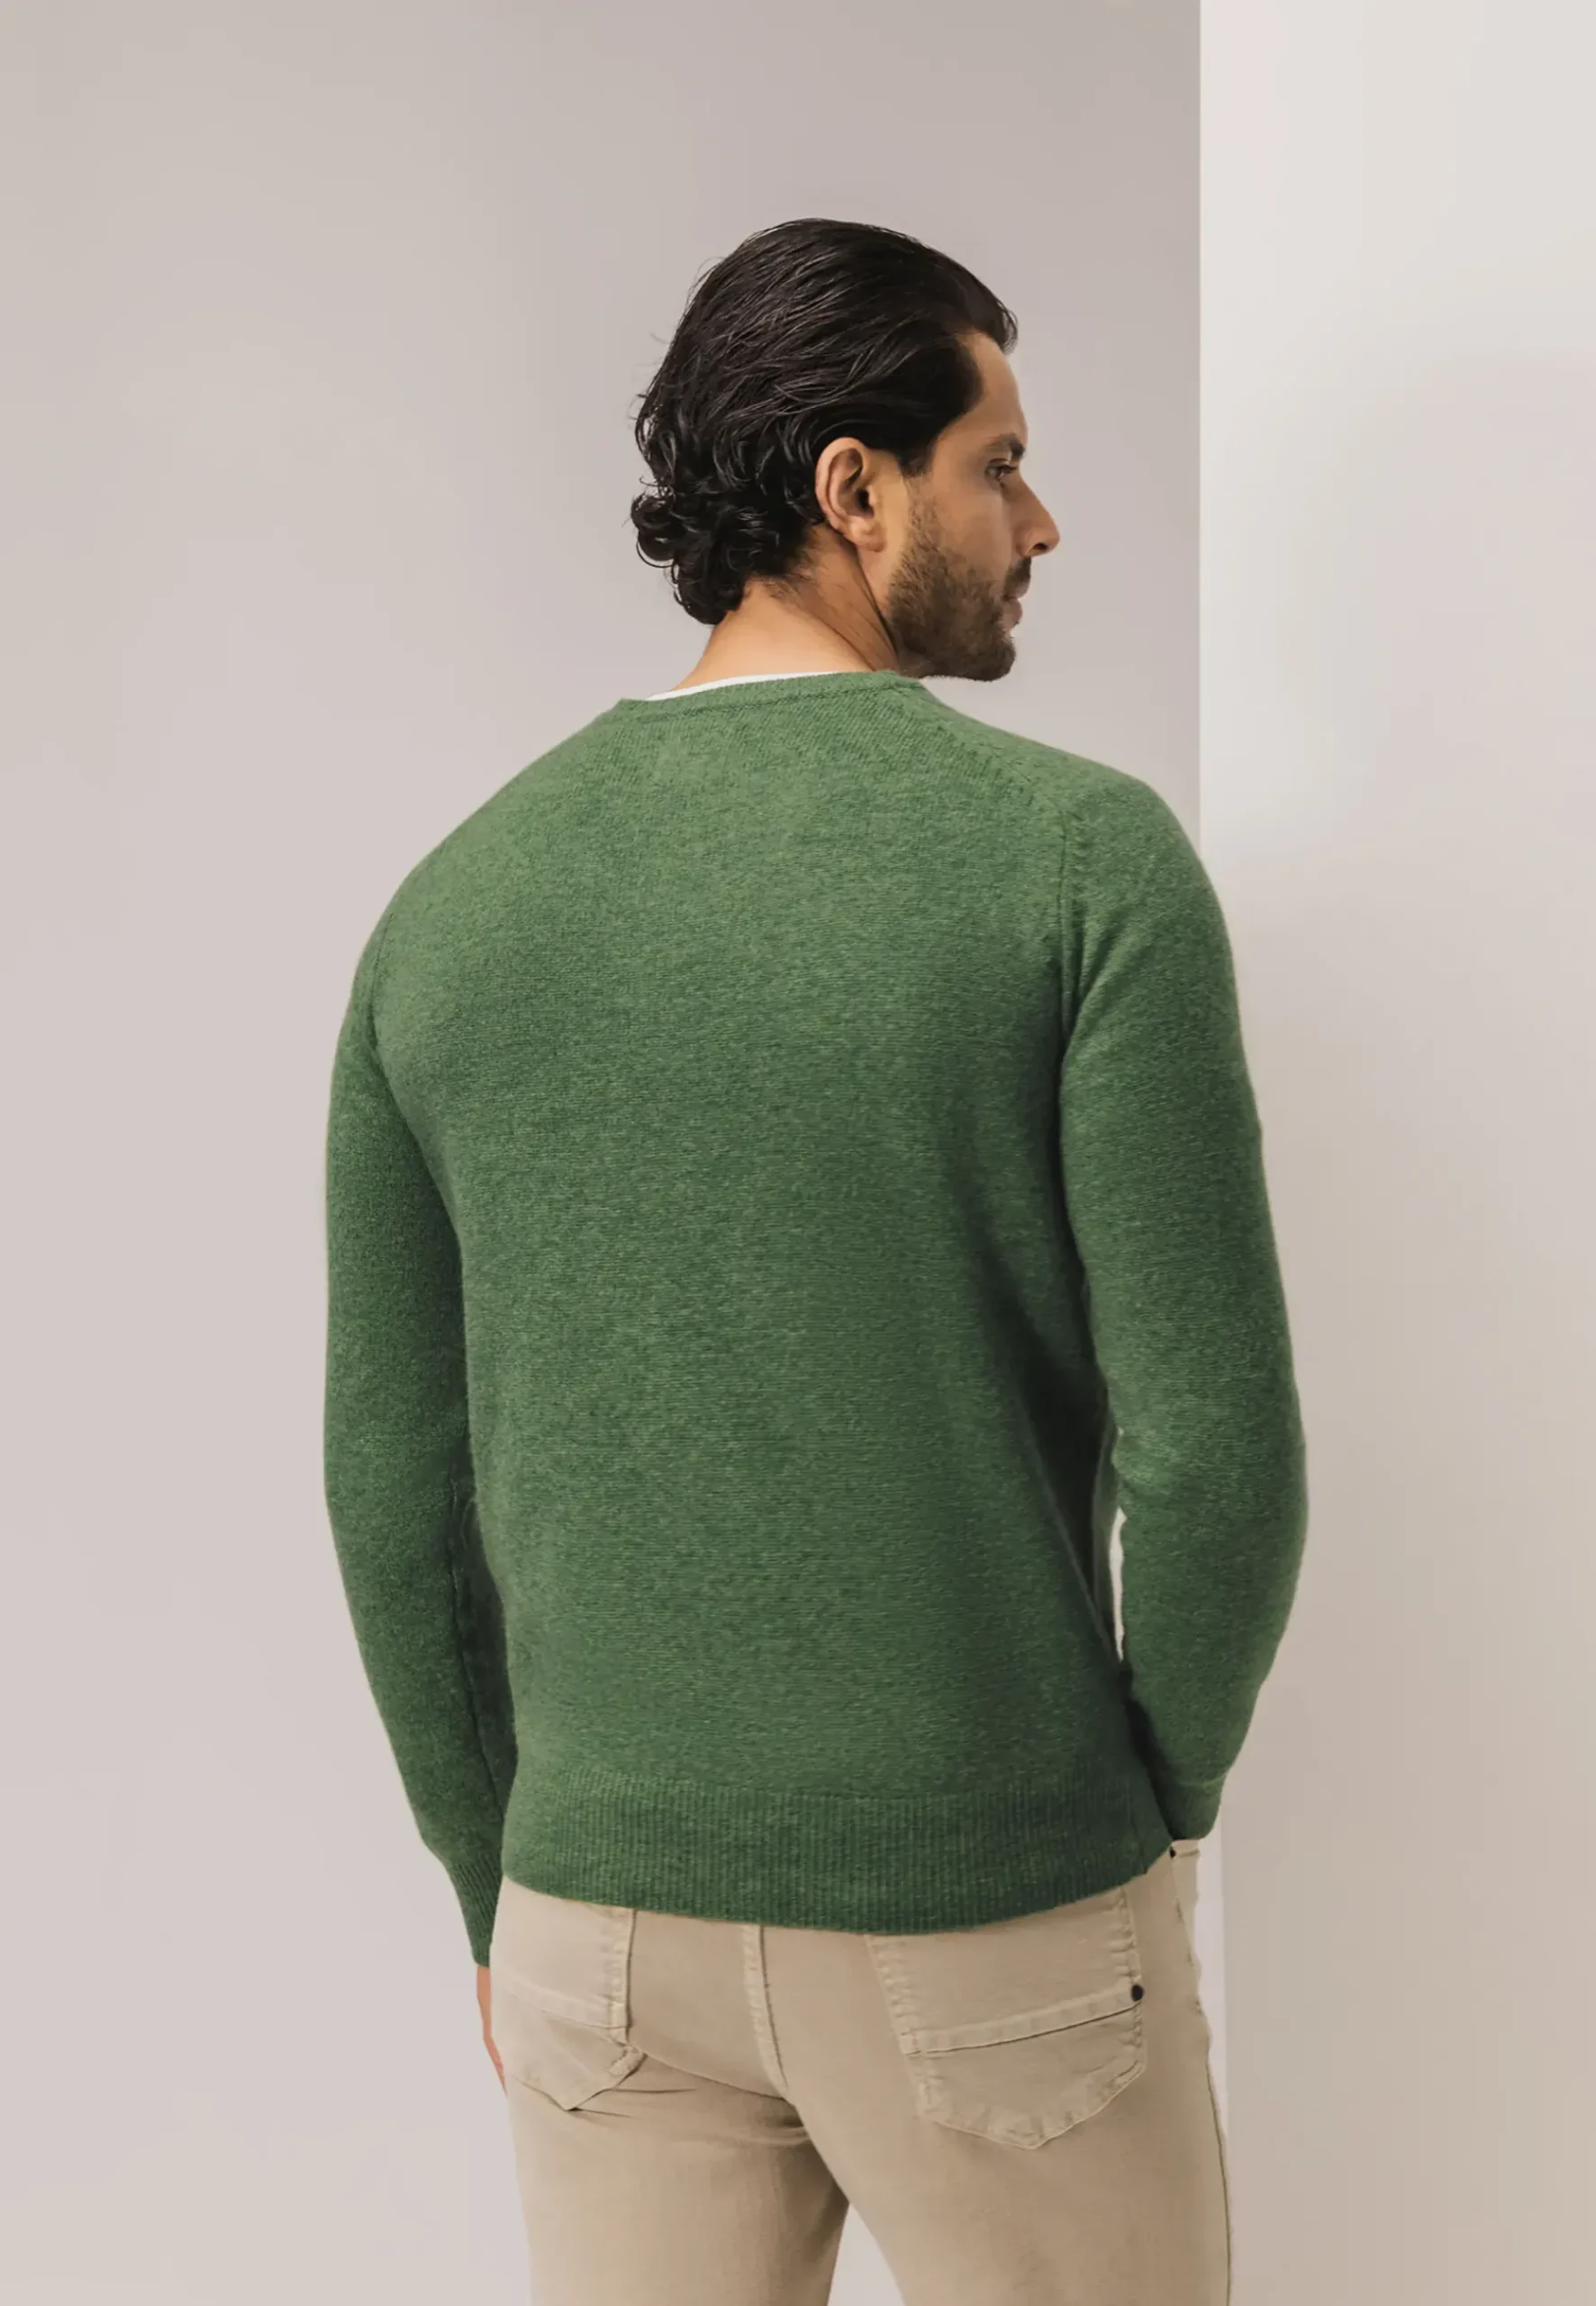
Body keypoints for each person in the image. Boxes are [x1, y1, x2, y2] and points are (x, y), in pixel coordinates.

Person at [322, 215, 1308, 2304]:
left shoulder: (451, 909)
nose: (1041, 519)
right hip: (996, 1904)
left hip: (597, 1935)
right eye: (997, 462)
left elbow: (395, 1493)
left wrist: (496, 1885)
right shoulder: (1077, 861)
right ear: (853, 488)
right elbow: (1213, 1449)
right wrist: (1153, 1796)